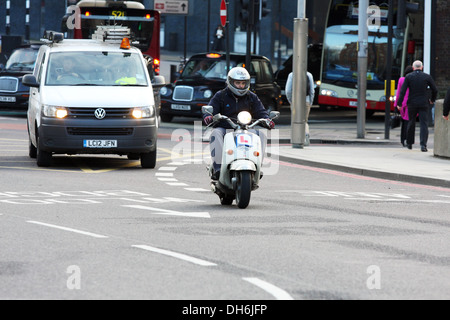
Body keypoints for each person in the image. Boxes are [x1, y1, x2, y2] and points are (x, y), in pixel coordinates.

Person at [203, 67, 274, 180]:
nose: (241, 86)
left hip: (246, 128)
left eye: (243, 83)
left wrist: (267, 120)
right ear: (230, 82)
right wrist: (208, 116)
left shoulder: (252, 97)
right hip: (225, 128)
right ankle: (218, 168)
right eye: (238, 83)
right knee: (215, 133)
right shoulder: (220, 95)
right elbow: (211, 109)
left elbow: (261, 112)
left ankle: (257, 166)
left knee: (261, 135)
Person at [397, 60, 438, 152]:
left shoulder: (408, 77)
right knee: (424, 124)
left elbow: (402, 92)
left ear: (413, 67)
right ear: (422, 67)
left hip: (412, 103)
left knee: (411, 122)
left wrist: (399, 104)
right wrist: (432, 99)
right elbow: (435, 89)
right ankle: (423, 145)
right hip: (423, 103)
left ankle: (409, 143)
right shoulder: (426, 77)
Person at [285, 70, 315, 146]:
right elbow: (312, 91)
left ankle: (296, 139)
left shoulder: (291, 75)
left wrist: (291, 101)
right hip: (306, 101)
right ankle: (306, 136)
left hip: (295, 101)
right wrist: (310, 102)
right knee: (304, 121)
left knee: (295, 120)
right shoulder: (309, 75)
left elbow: (288, 90)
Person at [394, 65, 414, 147]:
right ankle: (408, 140)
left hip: (403, 104)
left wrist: (396, 104)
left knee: (404, 122)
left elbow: (398, 93)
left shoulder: (401, 79)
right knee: (410, 122)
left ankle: (403, 139)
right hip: (412, 103)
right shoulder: (413, 79)